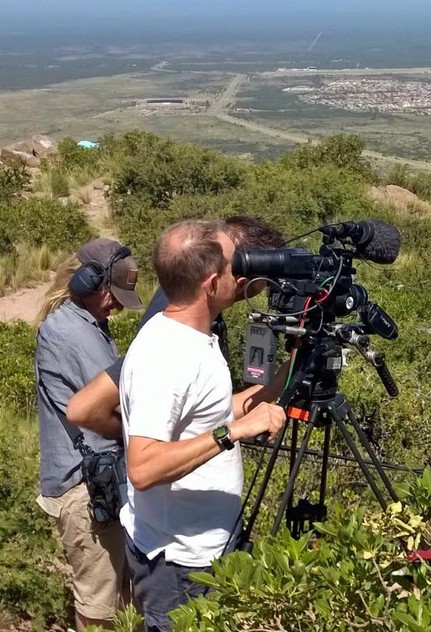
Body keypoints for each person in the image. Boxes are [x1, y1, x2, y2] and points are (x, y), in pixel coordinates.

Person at [119, 219, 286, 632]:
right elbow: (143, 467)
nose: (243, 275)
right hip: (180, 566)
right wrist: (234, 433)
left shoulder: (190, 337)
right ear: (212, 282)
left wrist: (283, 377)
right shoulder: (168, 355)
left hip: (203, 547)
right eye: (235, 267)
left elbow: (204, 413)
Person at [67, 215, 285, 431]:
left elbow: (206, 413)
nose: (265, 287)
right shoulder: (176, 321)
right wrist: (135, 437)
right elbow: (86, 408)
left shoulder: (195, 309)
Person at [34, 238, 143, 631]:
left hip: (99, 481)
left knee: (118, 598)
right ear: (87, 282)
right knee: (99, 609)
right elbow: (116, 403)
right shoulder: (70, 333)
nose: (117, 304)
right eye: (113, 295)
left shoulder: (89, 324)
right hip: (86, 488)